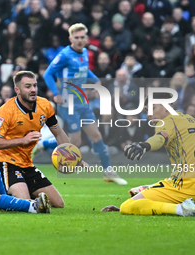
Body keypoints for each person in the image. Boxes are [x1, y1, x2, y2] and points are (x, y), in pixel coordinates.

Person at [43, 23, 127, 185]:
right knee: (76, 142)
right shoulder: (65, 55)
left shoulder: (86, 53)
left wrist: (95, 79)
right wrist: (56, 93)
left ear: (87, 38)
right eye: (77, 37)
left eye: (82, 37)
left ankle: (108, 172)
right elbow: (48, 74)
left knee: (96, 135)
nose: (80, 40)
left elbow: (84, 70)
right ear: (70, 38)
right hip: (68, 104)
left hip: (82, 103)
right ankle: (45, 144)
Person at [0, 71, 84, 208]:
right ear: (17, 90)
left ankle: (17, 191)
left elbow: (59, 133)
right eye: (28, 86)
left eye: (34, 86)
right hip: (6, 163)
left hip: (27, 164)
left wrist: (73, 157)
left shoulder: (45, 105)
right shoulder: (6, 111)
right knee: (24, 203)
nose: (33, 90)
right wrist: (22, 140)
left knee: (58, 204)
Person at [102, 93, 195, 217]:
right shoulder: (192, 121)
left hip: (187, 186)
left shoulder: (167, 122)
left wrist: (144, 145)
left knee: (127, 206)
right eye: (147, 110)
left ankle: (181, 209)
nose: (149, 114)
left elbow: (160, 138)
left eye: (153, 108)